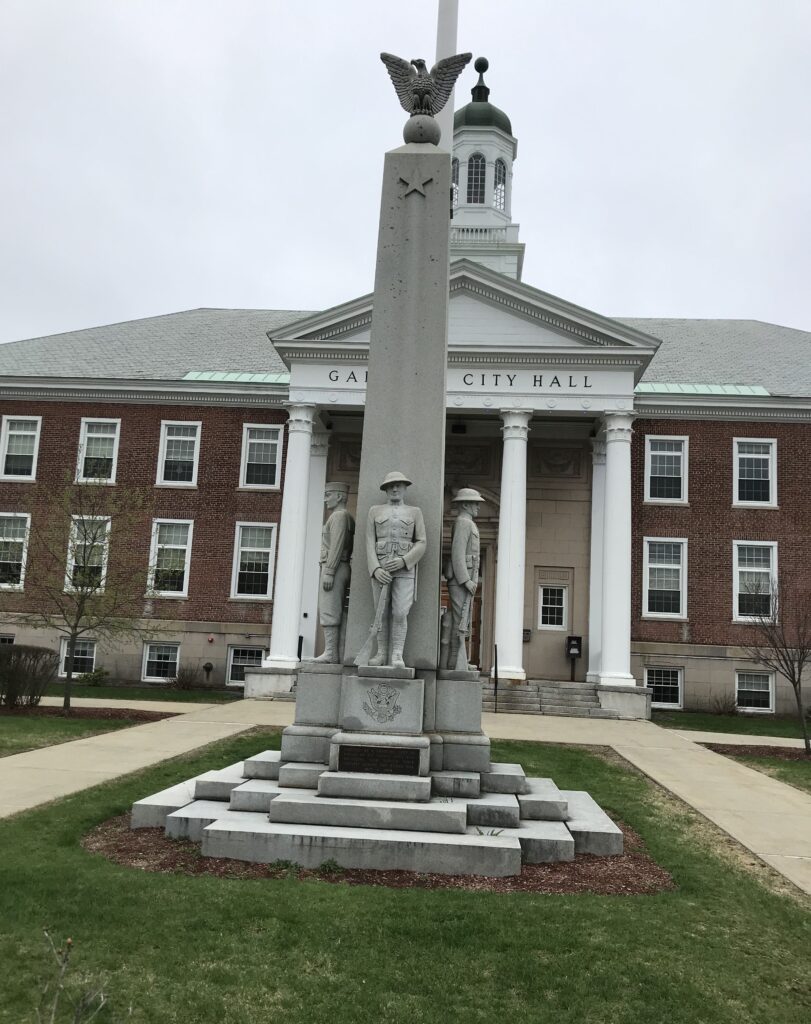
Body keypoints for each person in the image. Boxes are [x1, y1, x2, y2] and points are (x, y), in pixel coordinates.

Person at [365, 471, 426, 669]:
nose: (395, 488)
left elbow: (422, 541)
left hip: (405, 570)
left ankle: (397, 654)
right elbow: (369, 541)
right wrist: (375, 569)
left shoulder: (415, 512)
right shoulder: (375, 511)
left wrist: (405, 561)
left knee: (400, 612)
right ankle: (381, 653)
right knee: (380, 613)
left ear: (405, 487)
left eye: (399, 485)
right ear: (385, 489)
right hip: (381, 569)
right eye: (391, 485)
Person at [311, 482, 354, 663]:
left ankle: (330, 653)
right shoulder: (343, 517)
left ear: (339, 496)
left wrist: (329, 571)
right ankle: (335, 652)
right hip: (338, 567)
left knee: (329, 609)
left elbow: (336, 545)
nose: (325, 499)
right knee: (335, 610)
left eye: (328, 494)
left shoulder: (339, 516)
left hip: (334, 568)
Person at [445, 487, 484, 670]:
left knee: (463, 620)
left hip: (468, 577)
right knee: (460, 620)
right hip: (462, 579)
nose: (478, 507)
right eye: (475, 503)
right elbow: (457, 553)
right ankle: (456, 660)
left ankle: (460, 659)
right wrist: (465, 580)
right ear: (466, 504)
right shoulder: (463, 522)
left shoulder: (468, 523)